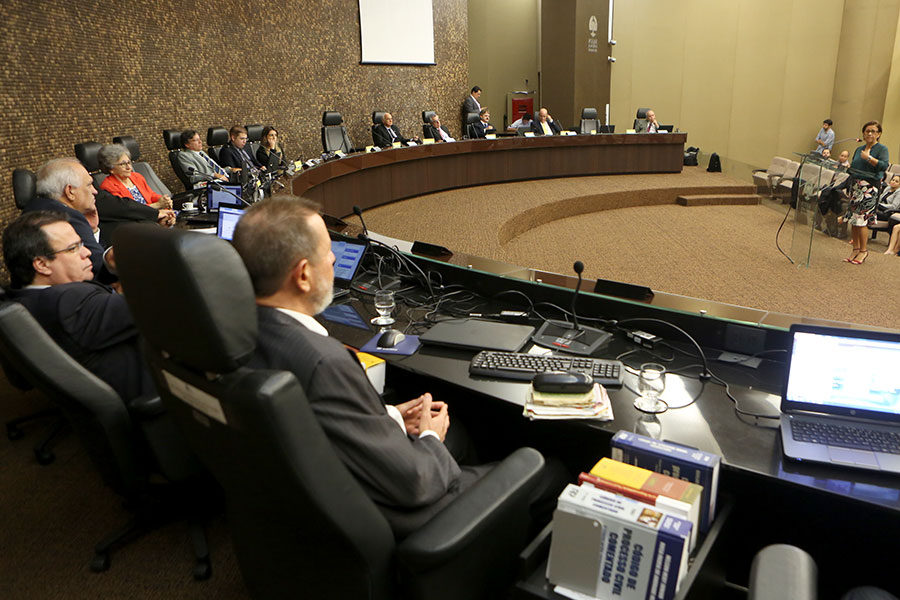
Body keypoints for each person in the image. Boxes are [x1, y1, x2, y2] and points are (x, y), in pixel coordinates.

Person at [231, 196, 488, 537]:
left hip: (308, 493)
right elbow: (414, 483)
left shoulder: (235, 331)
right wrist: (430, 436)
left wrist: (388, 416)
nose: (334, 259)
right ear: (303, 275)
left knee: (460, 435)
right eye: (327, 251)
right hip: (389, 512)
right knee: (542, 467)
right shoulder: (324, 362)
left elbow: (318, 423)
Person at [2, 211, 153, 401]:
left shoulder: (24, 299)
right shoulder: (70, 302)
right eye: (73, 248)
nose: (87, 252)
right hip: (158, 392)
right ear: (42, 264)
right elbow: (158, 305)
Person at [23, 158, 110, 278]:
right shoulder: (68, 217)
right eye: (89, 185)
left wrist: (93, 230)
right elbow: (100, 266)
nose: (95, 191)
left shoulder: (35, 207)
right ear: (70, 191)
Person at [839, 120, 889, 264]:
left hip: (870, 188)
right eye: (867, 131)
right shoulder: (858, 149)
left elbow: (883, 166)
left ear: (879, 134)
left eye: (873, 131)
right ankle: (855, 249)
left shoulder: (882, 149)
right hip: (856, 186)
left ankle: (863, 251)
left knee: (862, 220)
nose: (870, 133)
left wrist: (869, 158)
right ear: (863, 133)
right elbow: (854, 166)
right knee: (854, 220)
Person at [97, 144, 173, 211]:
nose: (129, 167)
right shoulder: (108, 186)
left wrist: (163, 200)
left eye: (129, 162)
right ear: (111, 168)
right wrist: (157, 205)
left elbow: (151, 195)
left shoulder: (137, 176)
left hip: (156, 214)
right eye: (123, 164)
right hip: (139, 220)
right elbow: (129, 210)